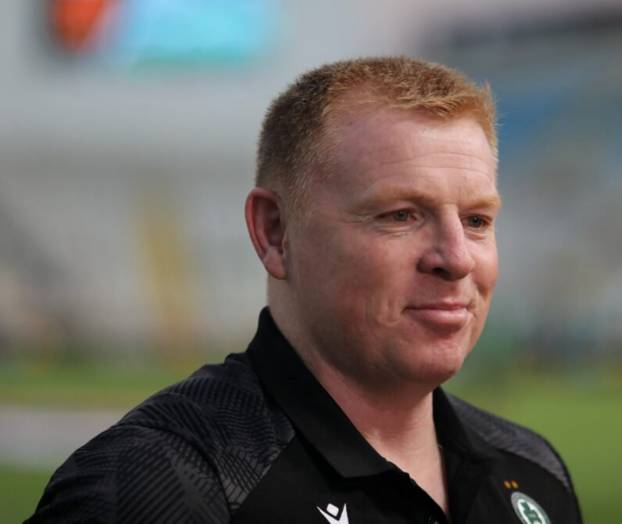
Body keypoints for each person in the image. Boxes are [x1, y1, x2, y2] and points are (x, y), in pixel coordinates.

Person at [28, 57, 581, 524]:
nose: (456, 259)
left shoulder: (534, 471)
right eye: (401, 214)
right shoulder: (153, 487)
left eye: (477, 221)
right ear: (275, 232)